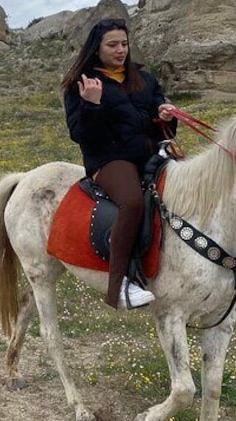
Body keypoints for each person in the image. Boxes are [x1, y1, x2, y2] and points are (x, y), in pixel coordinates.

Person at [61, 18, 176, 310]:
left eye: (124, 43)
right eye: (112, 44)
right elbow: (80, 135)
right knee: (133, 203)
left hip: (150, 152)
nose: (120, 50)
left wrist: (165, 114)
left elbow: (159, 116)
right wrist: (91, 104)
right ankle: (118, 287)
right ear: (96, 48)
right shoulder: (83, 83)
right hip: (109, 159)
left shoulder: (144, 79)